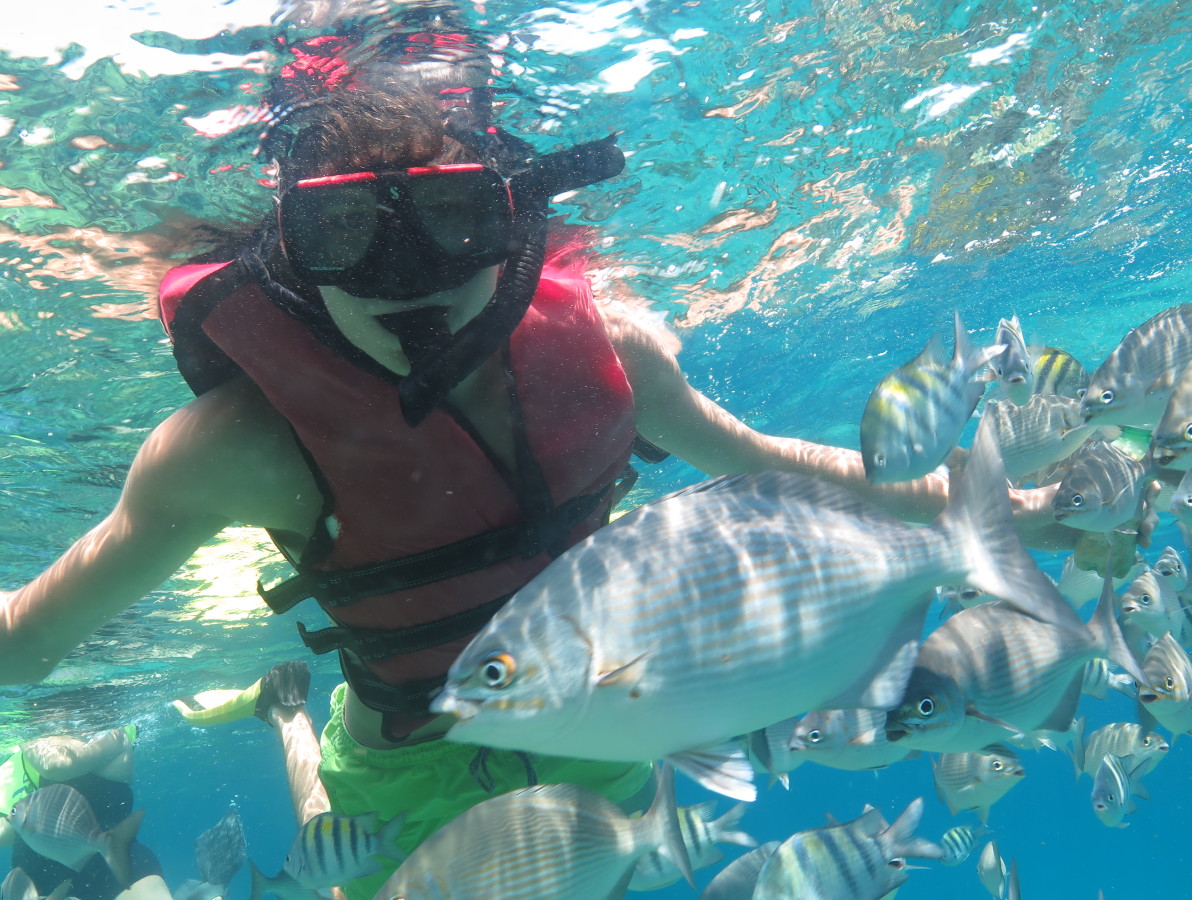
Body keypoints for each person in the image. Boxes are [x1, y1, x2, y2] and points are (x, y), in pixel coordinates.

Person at [0, 68, 1066, 900]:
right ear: (290, 248)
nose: (408, 278)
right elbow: (32, 642)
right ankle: (289, 724)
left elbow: (776, 468)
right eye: (347, 234)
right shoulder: (233, 448)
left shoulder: (613, 352)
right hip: (403, 755)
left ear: (512, 219)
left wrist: (1002, 515)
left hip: (600, 723)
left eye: (455, 219)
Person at [0, 727, 168, 900]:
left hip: (112, 863)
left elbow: (56, 764)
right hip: (35, 878)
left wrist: (26, 731)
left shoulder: (114, 733)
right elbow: (8, 827)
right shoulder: (18, 765)